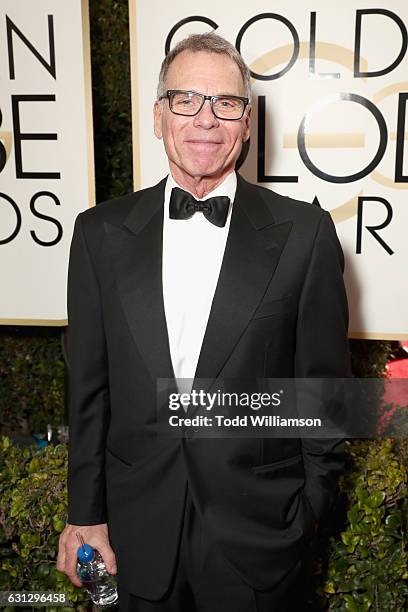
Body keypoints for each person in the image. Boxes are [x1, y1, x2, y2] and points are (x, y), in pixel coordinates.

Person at [57, 33, 351, 611]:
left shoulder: (304, 237)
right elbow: (88, 392)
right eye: (186, 100)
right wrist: (85, 516)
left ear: (246, 123)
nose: (206, 120)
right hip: (131, 537)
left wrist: (310, 511)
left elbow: (323, 394)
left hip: (261, 538)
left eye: (226, 103)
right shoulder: (98, 235)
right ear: (160, 116)